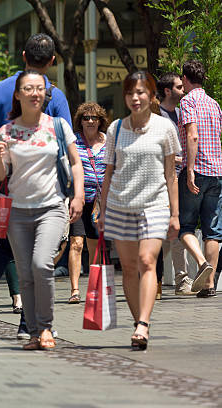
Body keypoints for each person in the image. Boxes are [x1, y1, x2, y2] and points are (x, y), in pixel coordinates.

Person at [0, 33, 73, 337]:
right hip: (44, 189)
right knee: (38, 258)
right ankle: (29, 324)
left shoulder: (1, 90)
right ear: (52, 61)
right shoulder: (53, 94)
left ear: (23, 55)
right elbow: (65, 144)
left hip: (4, 185)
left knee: (3, 247)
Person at [0, 70, 84, 350]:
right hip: (18, 211)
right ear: (18, 95)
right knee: (26, 272)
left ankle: (46, 327)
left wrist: (78, 195)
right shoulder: (7, 131)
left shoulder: (57, 126)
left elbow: (75, 163)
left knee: (42, 263)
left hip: (52, 208)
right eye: (28, 89)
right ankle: (33, 332)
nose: (34, 93)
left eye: (39, 89)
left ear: (45, 93)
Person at [99, 71, 180, 350]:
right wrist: (102, 209)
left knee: (147, 260)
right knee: (130, 268)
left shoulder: (165, 128)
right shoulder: (116, 129)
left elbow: (171, 175)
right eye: (131, 93)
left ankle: (143, 324)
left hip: (155, 205)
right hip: (121, 206)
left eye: (141, 92)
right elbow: (108, 173)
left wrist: (175, 214)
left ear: (152, 95)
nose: (136, 98)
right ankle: (139, 323)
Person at [177, 60, 222, 298]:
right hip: (217, 172)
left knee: (184, 227)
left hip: (198, 170)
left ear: (185, 79)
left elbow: (192, 136)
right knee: (212, 230)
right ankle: (209, 285)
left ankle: (202, 263)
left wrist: (191, 169)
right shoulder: (214, 104)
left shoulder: (187, 101)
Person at [67, 103, 109, 304]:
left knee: (95, 245)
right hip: (78, 200)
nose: (90, 121)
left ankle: (94, 287)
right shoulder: (74, 142)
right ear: (80, 121)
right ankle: (75, 290)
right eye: (86, 118)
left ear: (101, 120)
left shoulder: (108, 142)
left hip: (99, 203)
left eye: (94, 118)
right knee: (76, 243)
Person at [156, 73, 194, 296]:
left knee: (178, 227)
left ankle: (182, 280)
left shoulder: (182, 113)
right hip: (162, 181)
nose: (183, 90)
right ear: (168, 91)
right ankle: (158, 279)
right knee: (164, 232)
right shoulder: (156, 116)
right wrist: (173, 158)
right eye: (179, 87)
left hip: (180, 179)